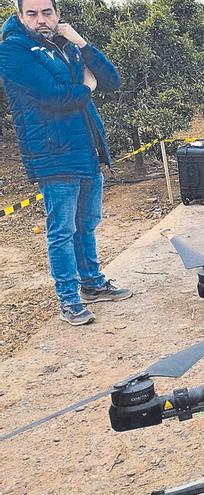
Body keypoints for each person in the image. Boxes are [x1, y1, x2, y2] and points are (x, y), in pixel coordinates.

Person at [0, 0, 130, 326]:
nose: (41, 20)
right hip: (53, 153)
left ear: (57, 13)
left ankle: (92, 283)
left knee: (86, 224)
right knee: (61, 230)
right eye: (32, 14)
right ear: (20, 16)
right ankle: (69, 299)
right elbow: (56, 97)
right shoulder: (14, 51)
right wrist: (86, 86)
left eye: (47, 12)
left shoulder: (66, 44)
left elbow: (112, 82)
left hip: (85, 148)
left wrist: (82, 44)